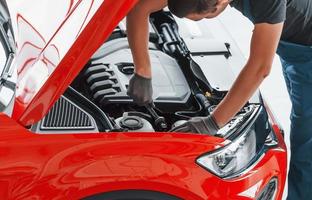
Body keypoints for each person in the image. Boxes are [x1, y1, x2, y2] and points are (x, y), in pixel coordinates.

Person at [126, 0, 312, 199]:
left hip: (306, 47)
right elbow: (139, 7)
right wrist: (142, 70)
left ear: (220, 3)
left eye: (205, 18)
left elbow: (260, 67)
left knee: (307, 149)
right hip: (294, 46)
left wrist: (212, 122)